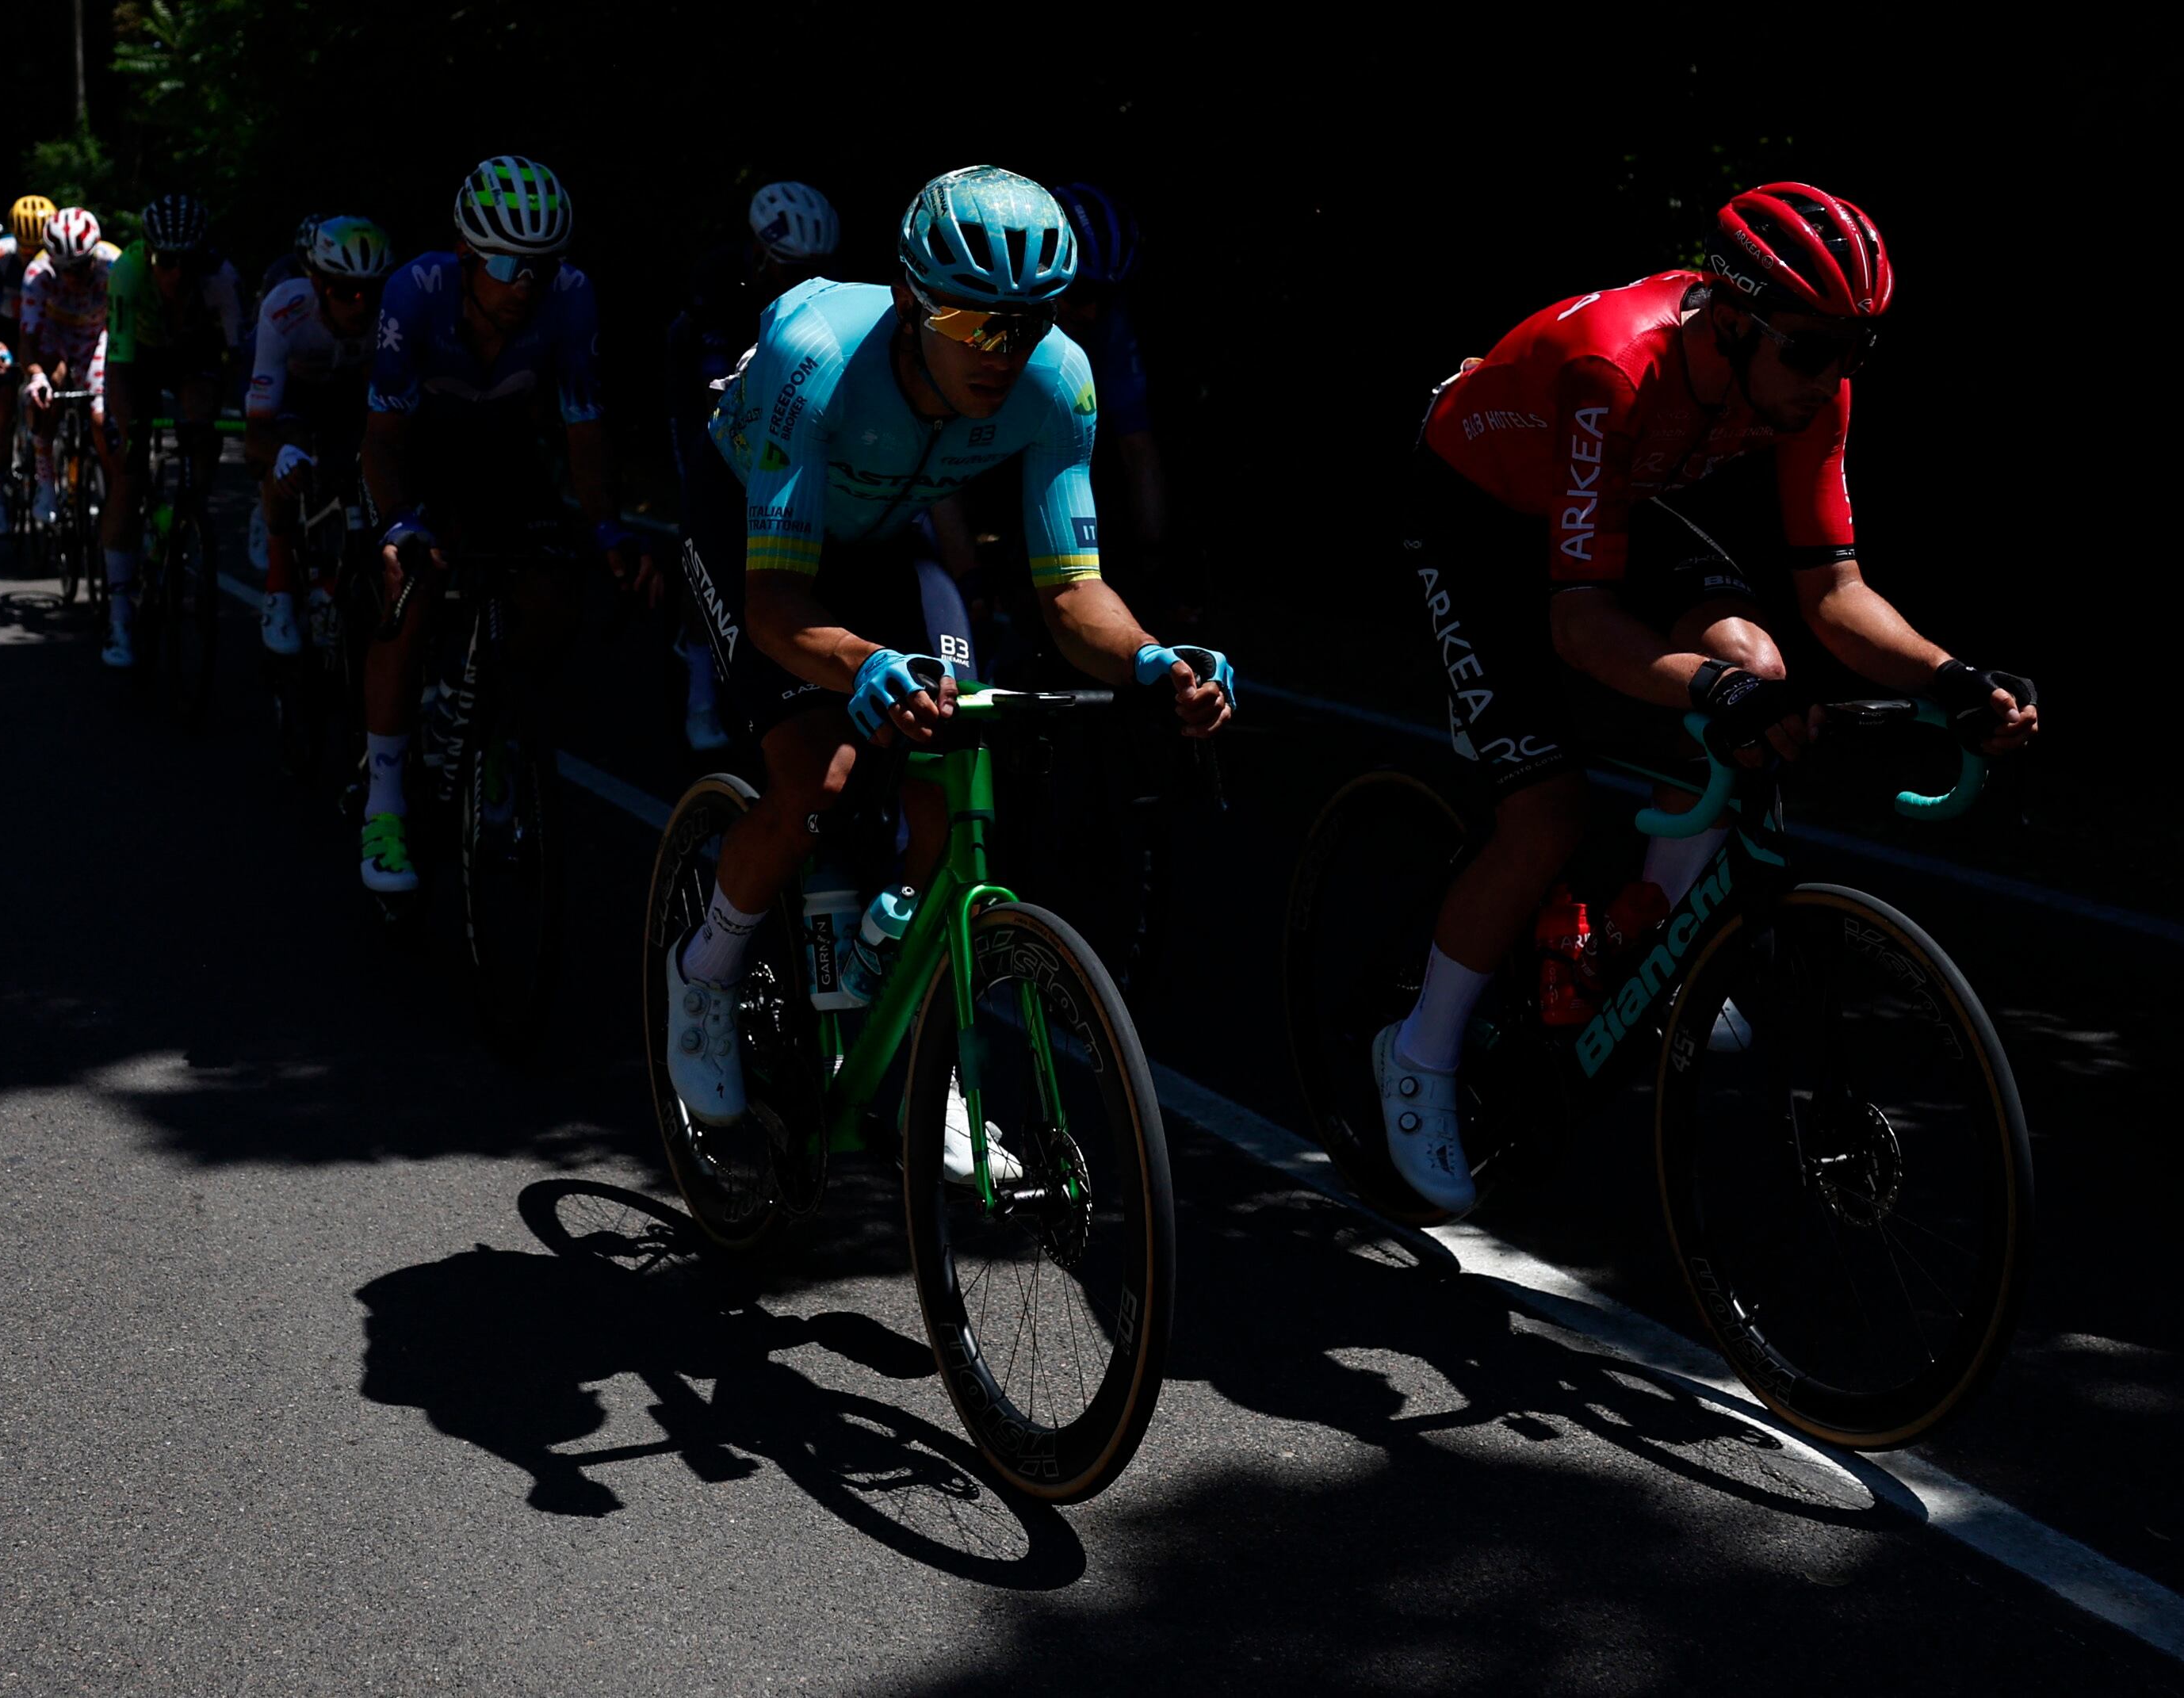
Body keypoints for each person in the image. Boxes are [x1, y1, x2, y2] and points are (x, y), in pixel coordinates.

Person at [1376, 182, 2042, 1215]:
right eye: (1814, 349)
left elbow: (1834, 591)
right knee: (1546, 809)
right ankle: (1419, 1051)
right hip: (1478, 514)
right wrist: (1712, 689)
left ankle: (1628, 944)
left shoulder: (1807, 376)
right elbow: (1577, 624)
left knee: (1761, 670)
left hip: (1608, 500)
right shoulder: (1616, 363)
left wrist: (1952, 679)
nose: (1832, 376)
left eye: (1854, 351)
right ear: (1731, 322)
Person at [664, 164, 1235, 1175]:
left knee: (954, 754)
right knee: (818, 777)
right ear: (908, 301)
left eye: (1028, 324)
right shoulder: (816, 356)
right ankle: (704, 969)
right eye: (976, 326)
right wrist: (866, 660)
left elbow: (1069, 591)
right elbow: (777, 607)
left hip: (888, 532)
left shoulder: (1059, 377)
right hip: (754, 518)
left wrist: (1151, 661)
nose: (1003, 354)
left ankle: (923, 1048)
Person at [360, 155, 653, 894]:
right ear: (464, 253)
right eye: (504, 263)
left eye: (540, 268)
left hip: (504, 451)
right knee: (409, 590)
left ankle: (493, 731)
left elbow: (584, 428)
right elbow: (383, 438)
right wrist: (398, 525)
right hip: (422, 446)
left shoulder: (572, 298)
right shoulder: (414, 291)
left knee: (556, 594)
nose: (524, 285)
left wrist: (608, 529)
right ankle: (385, 805)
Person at [665, 180, 843, 750]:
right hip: (707, 390)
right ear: (761, 254)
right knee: (707, 509)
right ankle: (698, 677)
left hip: (776, 390)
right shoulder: (719, 282)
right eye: (790, 268)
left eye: (814, 270)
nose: (802, 283)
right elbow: (715, 398)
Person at [101, 191, 247, 667]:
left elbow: (234, 359)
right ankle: (120, 618)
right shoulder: (127, 271)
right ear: (150, 253)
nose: (177, 273)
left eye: (188, 261)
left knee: (203, 427)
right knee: (127, 475)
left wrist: (225, 419)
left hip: (194, 355)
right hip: (139, 358)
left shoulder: (222, 278)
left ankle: (188, 515)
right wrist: (124, 432)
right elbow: (118, 367)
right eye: (166, 261)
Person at [245, 215, 390, 655]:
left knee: (360, 464)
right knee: (285, 456)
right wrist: (281, 454)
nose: (359, 306)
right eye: (344, 292)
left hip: (349, 391)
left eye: (371, 291)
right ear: (316, 283)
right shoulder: (284, 308)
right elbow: (256, 433)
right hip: (293, 393)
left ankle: (341, 576)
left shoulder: (395, 315)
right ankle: (279, 591)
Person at [1048, 181, 1180, 621]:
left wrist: (1155, 566)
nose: (1091, 314)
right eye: (1082, 293)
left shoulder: (1110, 329)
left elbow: (1137, 449)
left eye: (1107, 298)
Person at [16, 208, 117, 526]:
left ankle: (115, 489)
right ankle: (46, 481)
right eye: (64, 268)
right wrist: (36, 376)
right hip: (55, 336)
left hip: (97, 335)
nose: (72, 277)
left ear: (94, 256)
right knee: (47, 392)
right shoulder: (38, 274)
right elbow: (28, 336)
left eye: (80, 267)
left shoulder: (115, 266)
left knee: (101, 416)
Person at [0, 195, 57, 536]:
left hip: (51, 332)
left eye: (36, 249)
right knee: (3, 401)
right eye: (24, 249)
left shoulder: (65, 253)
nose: (31, 257)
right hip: (9, 332)